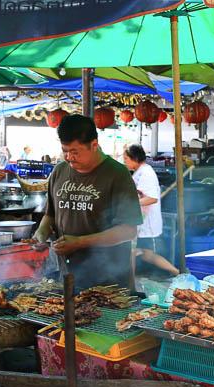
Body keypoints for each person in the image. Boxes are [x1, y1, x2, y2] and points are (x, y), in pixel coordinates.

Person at [32, 115, 142, 289]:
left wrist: (80, 242)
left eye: (75, 152)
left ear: (94, 145)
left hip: (108, 282)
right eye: (65, 151)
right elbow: (50, 215)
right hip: (67, 277)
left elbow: (127, 231)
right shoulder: (59, 171)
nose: (69, 158)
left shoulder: (117, 174)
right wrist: (41, 234)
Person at [123, 143, 180, 277]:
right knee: (144, 256)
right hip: (139, 223)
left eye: (126, 159)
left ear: (135, 158)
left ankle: (130, 287)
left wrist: (130, 204)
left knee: (134, 254)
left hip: (145, 224)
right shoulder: (139, 172)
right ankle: (178, 272)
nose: (124, 162)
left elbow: (152, 198)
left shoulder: (146, 173)